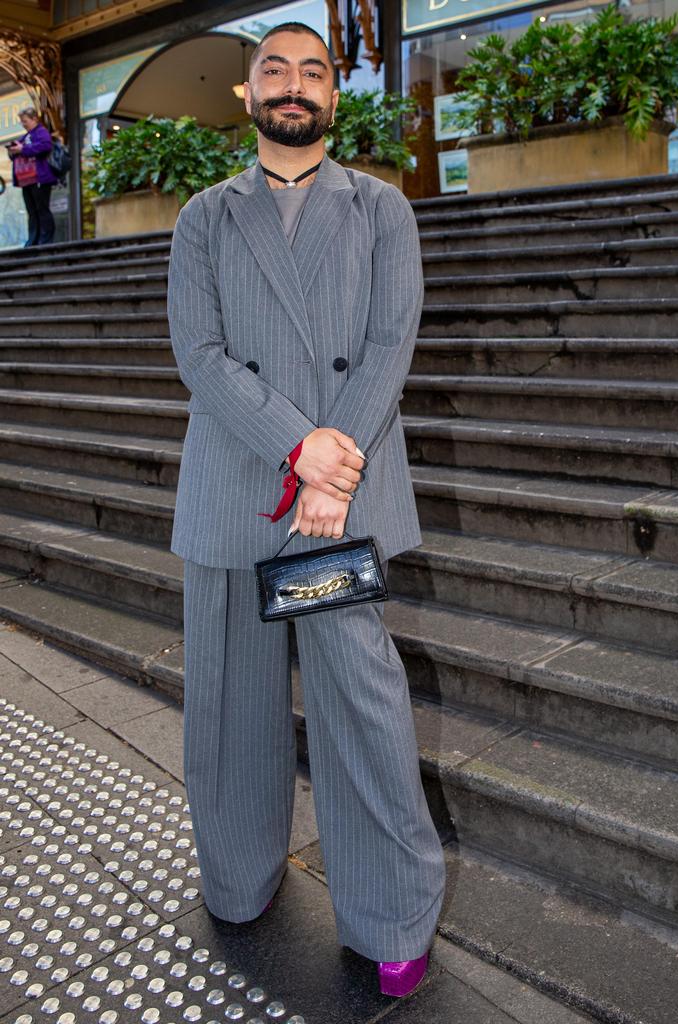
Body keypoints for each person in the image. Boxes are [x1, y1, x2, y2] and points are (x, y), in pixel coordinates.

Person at [167, 21, 445, 1000]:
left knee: (363, 712)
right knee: (229, 710)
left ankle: (394, 914)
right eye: (274, 70)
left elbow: (389, 345)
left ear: (334, 94)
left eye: (312, 71)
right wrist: (299, 445)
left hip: (340, 504)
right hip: (235, 492)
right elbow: (199, 355)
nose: (293, 86)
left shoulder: (381, 212)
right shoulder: (205, 216)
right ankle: (238, 875)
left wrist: (330, 470)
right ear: (246, 94)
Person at [7, 107, 57, 246]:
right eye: (22, 122)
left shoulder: (41, 132)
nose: (23, 124)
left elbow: (46, 146)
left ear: (35, 119)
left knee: (42, 209)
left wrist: (23, 149)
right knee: (32, 211)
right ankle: (33, 240)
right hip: (27, 181)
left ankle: (45, 239)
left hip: (39, 178)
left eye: (25, 121)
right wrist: (13, 151)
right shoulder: (25, 136)